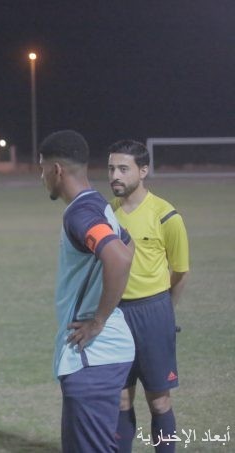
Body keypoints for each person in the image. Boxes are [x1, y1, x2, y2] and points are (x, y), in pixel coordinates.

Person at [38, 129, 136, 453]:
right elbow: (128, 244)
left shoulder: (80, 213)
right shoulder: (98, 204)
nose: (41, 177)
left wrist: (98, 320)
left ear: (57, 170)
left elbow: (119, 257)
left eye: (42, 168)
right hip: (103, 357)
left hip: (92, 358)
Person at [108, 140, 190, 453]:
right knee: (120, 399)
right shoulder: (107, 213)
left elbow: (180, 271)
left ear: (143, 171)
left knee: (159, 401)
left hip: (153, 312)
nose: (115, 175)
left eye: (123, 168)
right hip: (116, 314)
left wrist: (165, 311)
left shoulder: (166, 215)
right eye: (111, 168)